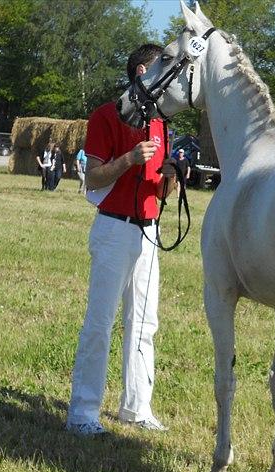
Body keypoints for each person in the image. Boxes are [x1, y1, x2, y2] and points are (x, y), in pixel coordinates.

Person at [66, 43, 178, 436]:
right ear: (141, 71)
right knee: (101, 321)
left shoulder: (161, 122)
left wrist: (171, 175)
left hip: (149, 230)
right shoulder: (104, 116)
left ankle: (137, 407)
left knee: (145, 322)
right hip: (113, 227)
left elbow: (161, 193)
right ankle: (82, 411)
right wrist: (129, 158)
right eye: (161, 68)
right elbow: (93, 178)